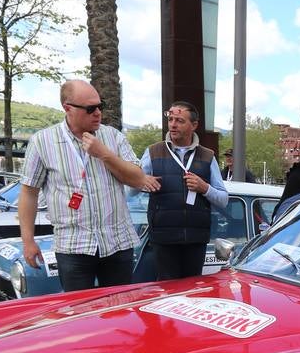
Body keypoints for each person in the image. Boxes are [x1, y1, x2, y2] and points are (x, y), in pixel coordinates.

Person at [19, 79, 156, 291]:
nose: (98, 113)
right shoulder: (42, 141)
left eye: (101, 106)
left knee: (118, 310)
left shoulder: (113, 137)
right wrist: (28, 241)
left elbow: (138, 179)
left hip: (117, 243)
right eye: (91, 108)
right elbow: (29, 193)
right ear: (68, 108)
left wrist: (105, 154)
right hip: (73, 246)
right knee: (79, 314)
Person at [139, 101, 230, 280]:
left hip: (195, 240)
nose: (173, 124)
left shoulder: (207, 156)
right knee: (167, 291)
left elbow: (223, 200)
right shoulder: (153, 152)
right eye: (170, 119)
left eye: (180, 120)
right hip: (163, 239)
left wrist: (205, 188)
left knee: (192, 292)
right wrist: (141, 180)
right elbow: (131, 190)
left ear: (194, 125)